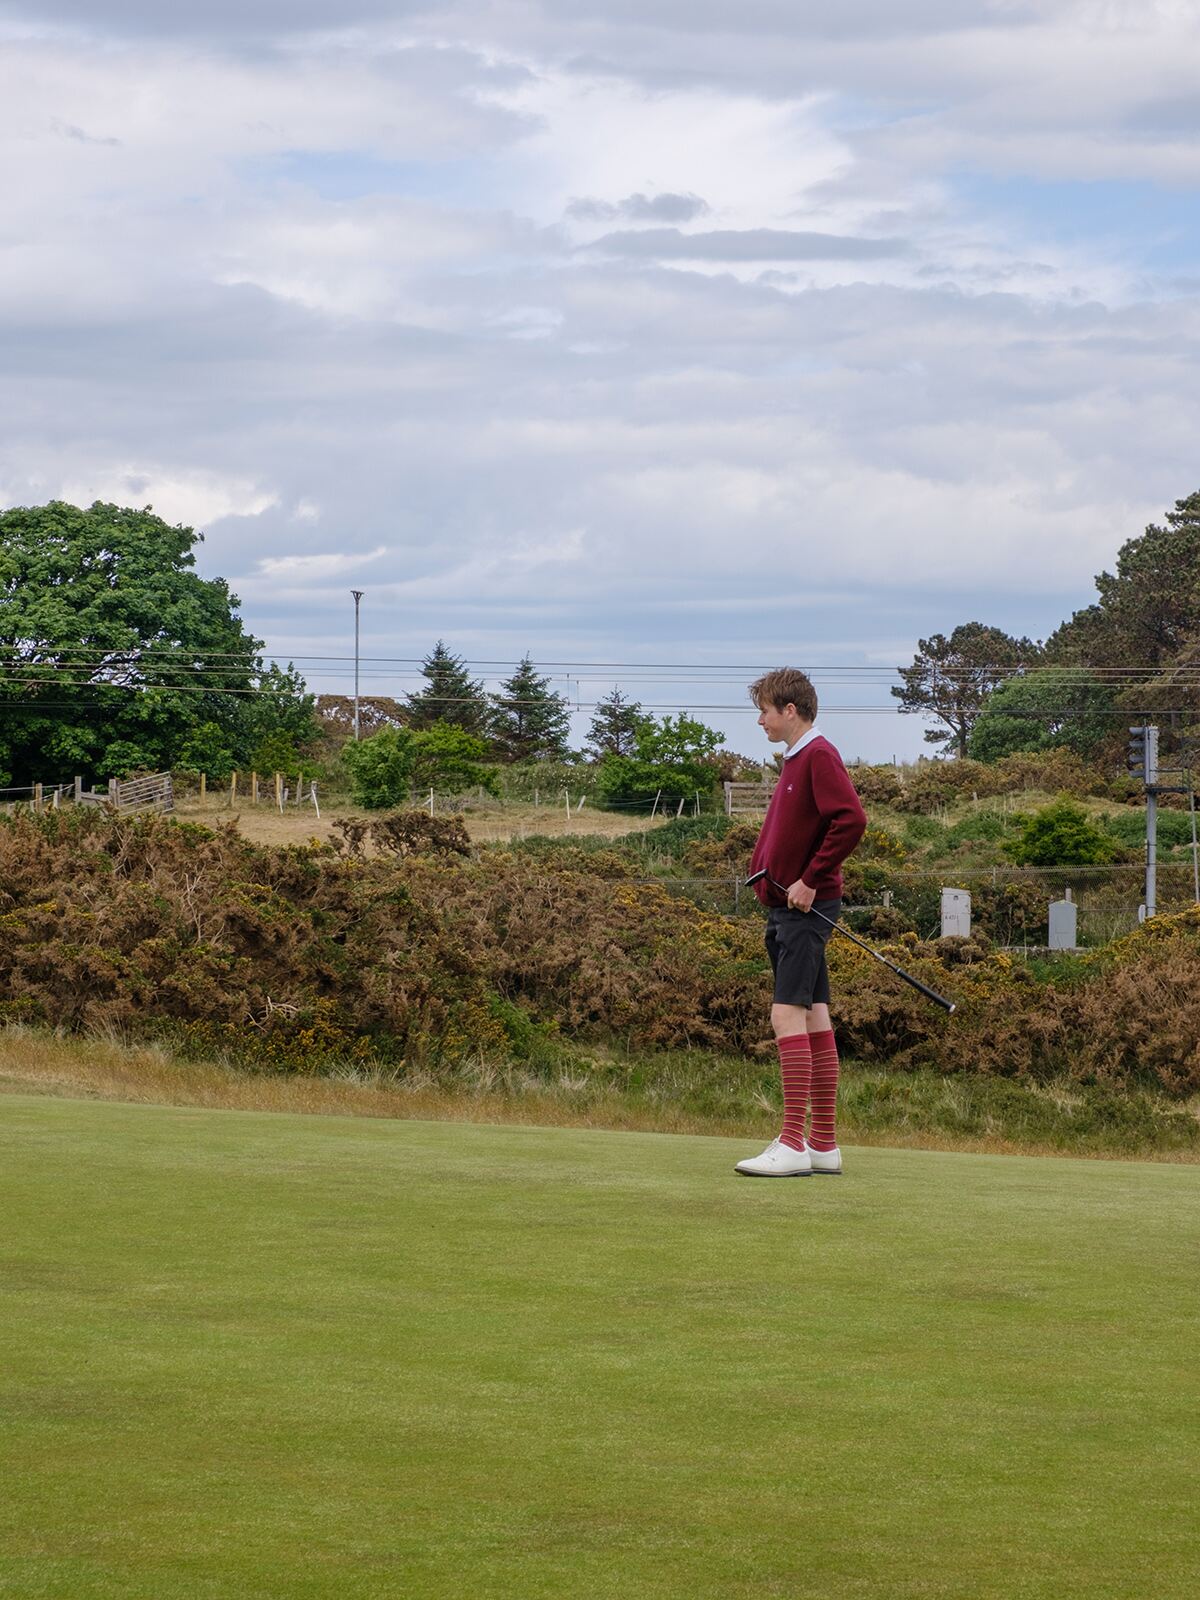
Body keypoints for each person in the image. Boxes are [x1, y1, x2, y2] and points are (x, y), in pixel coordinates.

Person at [735, 668, 867, 1178]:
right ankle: (823, 1145)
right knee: (813, 1016)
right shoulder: (796, 759)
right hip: (788, 909)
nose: (760, 720)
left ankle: (792, 1144)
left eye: (765, 710)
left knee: (785, 1015)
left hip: (804, 910)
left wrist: (811, 878)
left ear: (790, 710)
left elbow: (850, 819)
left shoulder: (817, 754)